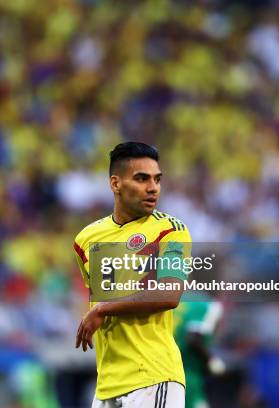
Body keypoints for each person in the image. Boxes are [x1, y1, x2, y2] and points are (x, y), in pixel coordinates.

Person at [73, 142, 191, 408]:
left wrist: (104, 308)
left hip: (153, 377)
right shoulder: (86, 239)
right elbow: (101, 299)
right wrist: (102, 309)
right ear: (116, 184)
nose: (153, 188)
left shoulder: (170, 230)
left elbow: (169, 293)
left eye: (157, 180)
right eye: (142, 179)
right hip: (106, 385)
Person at [174, 297, 225, 408]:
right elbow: (193, 338)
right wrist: (210, 360)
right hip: (188, 375)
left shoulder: (176, 300)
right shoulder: (207, 306)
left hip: (162, 370)